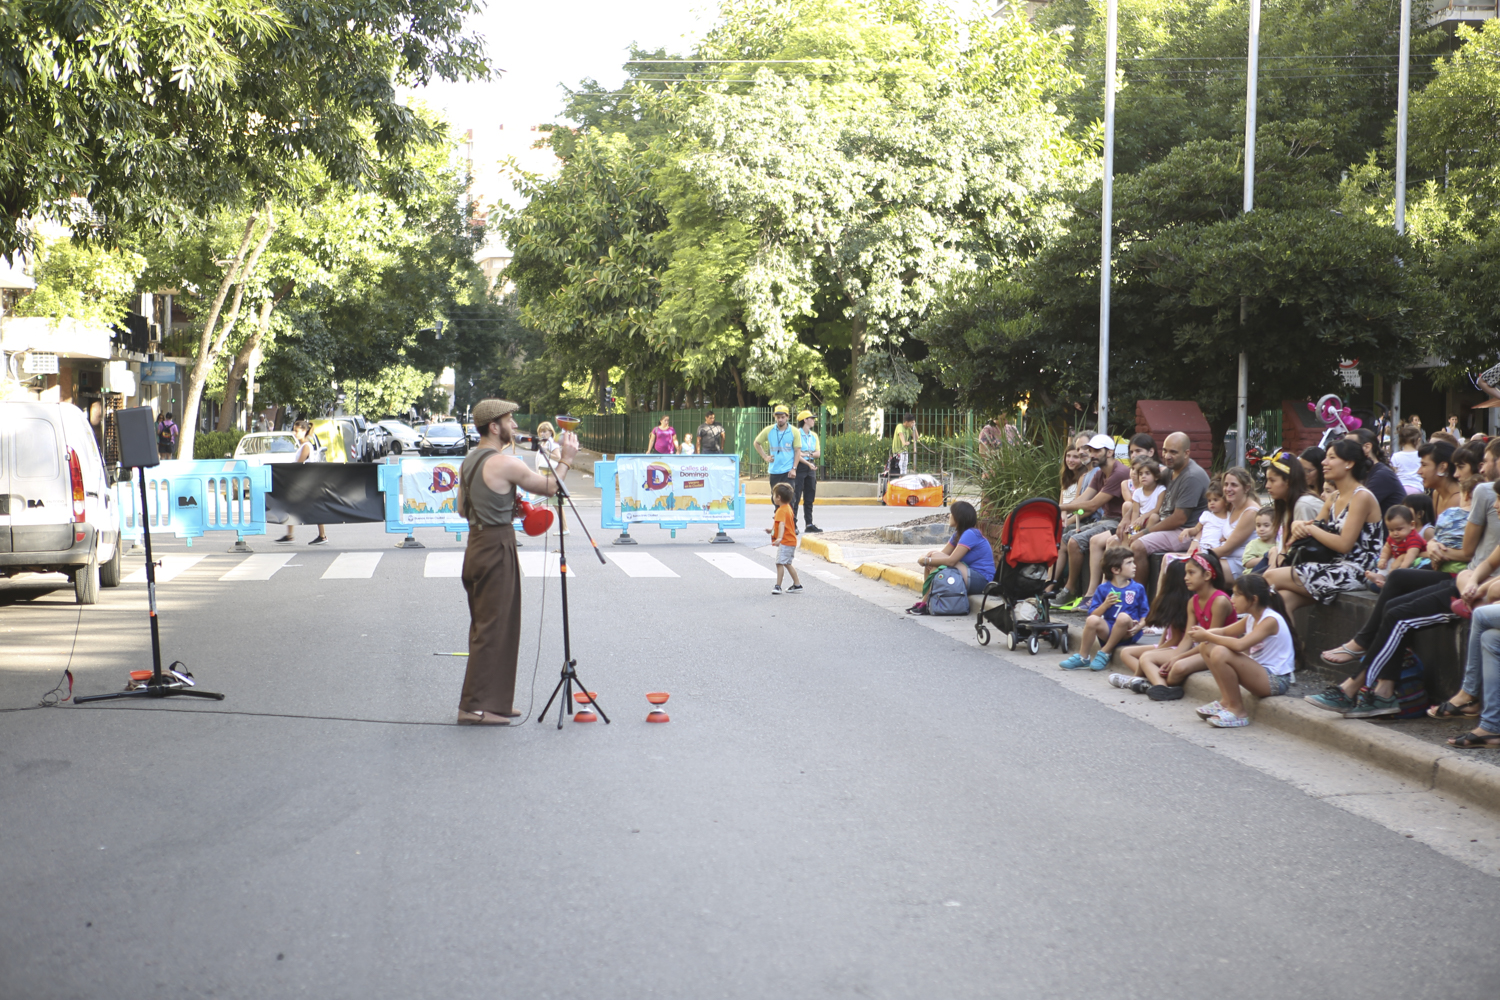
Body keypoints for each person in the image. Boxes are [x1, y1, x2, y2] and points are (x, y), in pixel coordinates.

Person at [454, 399, 579, 725]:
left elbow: (461, 510)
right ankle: (472, 708)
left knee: (496, 626)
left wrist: (501, 504)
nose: (513, 426)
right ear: (494, 426)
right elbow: (551, 486)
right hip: (497, 546)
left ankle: (496, 701)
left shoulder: (468, 462)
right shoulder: (503, 462)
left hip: (477, 545)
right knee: (493, 629)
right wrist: (566, 459)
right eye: (509, 420)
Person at [1263, 438, 1384, 614]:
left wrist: (1309, 528)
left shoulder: (1361, 496)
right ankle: (1290, 642)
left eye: (1331, 457)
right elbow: (1309, 531)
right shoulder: (1333, 498)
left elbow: (1344, 544)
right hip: (1333, 564)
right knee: (1283, 600)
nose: (1323, 463)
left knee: (1269, 577)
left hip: (1359, 570)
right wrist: (1298, 527)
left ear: (1349, 463)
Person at [1190, 573, 1301, 729]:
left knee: (1220, 652)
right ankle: (1226, 702)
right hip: (1260, 674)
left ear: (1254, 599)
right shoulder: (1250, 618)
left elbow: (1240, 645)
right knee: (1206, 646)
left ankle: (1238, 711)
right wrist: (1203, 633)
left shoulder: (1270, 620)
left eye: (1237, 594)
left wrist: (1207, 635)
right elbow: (1223, 631)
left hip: (1275, 681)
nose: (1231, 599)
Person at [1057, 434, 1131, 609]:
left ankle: (1087, 593)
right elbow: (1083, 499)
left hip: (1119, 522)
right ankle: (1065, 587)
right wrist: (1065, 511)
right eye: (1091, 450)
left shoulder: (1119, 473)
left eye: (1097, 451)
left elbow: (1092, 505)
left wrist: (1058, 507)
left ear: (1110, 451)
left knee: (1076, 540)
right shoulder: (1099, 474)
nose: (1092, 454)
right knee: (1066, 536)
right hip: (1105, 520)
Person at [1126, 432, 1211, 583]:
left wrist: (1144, 532)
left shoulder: (1191, 476)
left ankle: (1138, 598)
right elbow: (1139, 494)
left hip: (1186, 531)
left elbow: (1179, 519)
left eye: (1173, 452)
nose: (1167, 456)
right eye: (1165, 451)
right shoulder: (1169, 471)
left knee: (1138, 546)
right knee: (1116, 540)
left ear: (1186, 453)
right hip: (1163, 524)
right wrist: (1126, 520)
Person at [1059, 546, 1149, 670]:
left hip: (1128, 632)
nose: (1135, 566)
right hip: (1108, 629)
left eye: (1133, 562)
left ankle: (1105, 652)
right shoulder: (1103, 589)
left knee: (1123, 617)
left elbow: (1146, 615)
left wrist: (1139, 626)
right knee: (1092, 620)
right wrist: (1105, 605)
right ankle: (1083, 657)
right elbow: (1093, 615)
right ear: (1116, 570)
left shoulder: (1138, 588)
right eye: (1129, 563)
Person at [1111, 559, 1191, 693]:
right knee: (1126, 652)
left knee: (1147, 656)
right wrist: (1159, 647)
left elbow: (1176, 639)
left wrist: (1157, 651)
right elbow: (1168, 631)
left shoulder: (1183, 602)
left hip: (1178, 647)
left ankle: (1137, 679)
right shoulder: (1171, 600)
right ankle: (1147, 678)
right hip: (1169, 644)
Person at [914, 500, 996, 600]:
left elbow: (951, 561)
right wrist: (928, 558)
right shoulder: (958, 534)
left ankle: (926, 602)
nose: (949, 516)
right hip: (968, 575)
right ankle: (926, 600)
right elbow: (942, 554)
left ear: (958, 517)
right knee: (933, 557)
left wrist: (926, 560)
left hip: (982, 580)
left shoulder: (970, 533)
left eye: (952, 513)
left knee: (934, 559)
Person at [1263, 451, 1321, 571]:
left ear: (1288, 481)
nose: (1267, 486)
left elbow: (1304, 552)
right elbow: (1283, 549)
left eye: (1272, 480)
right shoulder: (1286, 504)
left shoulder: (1303, 504)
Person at [1198, 467, 1258, 578]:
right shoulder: (1233, 506)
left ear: (1246, 488)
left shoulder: (1250, 512)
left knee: (1196, 570)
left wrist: (1201, 555)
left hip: (1240, 564)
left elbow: (1227, 550)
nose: (1228, 489)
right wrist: (1195, 541)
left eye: (1234, 485)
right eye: (1226, 484)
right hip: (1225, 558)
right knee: (1169, 559)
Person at [276, 420, 327, 545]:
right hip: (305, 481)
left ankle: (322, 535)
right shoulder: (304, 444)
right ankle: (290, 535)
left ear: (304, 431)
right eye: (294, 430)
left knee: (311, 507)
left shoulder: (306, 446)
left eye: (297, 431)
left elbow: (299, 464)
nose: (295, 433)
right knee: (291, 506)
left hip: (306, 482)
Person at [1348, 428, 1406, 513]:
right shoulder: (1367, 473)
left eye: (1349, 447)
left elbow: (1354, 510)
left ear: (1367, 447)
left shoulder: (1382, 475)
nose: (1344, 451)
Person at [1367, 505, 1425, 588]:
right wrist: (1383, 559)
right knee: (1387, 562)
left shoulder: (1413, 538)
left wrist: (1402, 569)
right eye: (1391, 530)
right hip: (1398, 558)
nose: (1395, 533)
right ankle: (1381, 577)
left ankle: (1392, 583)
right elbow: (1387, 547)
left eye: (1399, 529)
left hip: (1413, 561)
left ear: (1412, 525)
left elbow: (1411, 555)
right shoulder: (1393, 537)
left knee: (1408, 567)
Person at [766, 481, 802, 595]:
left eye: (773, 495)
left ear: (778, 497)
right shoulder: (788, 508)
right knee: (787, 563)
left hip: (786, 541)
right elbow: (783, 525)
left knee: (779, 563)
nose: (773, 497)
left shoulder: (781, 510)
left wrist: (779, 538)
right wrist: (771, 531)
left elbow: (781, 524)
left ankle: (778, 586)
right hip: (790, 540)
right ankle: (797, 584)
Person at [754, 405, 798, 494]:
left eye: (782, 417)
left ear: (787, 417)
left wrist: (794, 468)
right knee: (776, 499)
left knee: (789, 500)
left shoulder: (794, 431)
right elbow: (756, 443)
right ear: (775, 417)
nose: (780, 419)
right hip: (774, 471)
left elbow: (797, 451)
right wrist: (765, 457)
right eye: (778, 417)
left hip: (788, 471)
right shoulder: (769, 430)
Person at [792, 410, 822, 533]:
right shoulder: (796, 434)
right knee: (796, 496)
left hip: (811, 466)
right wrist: (806, 455)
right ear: (805, 420)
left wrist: (805, 453)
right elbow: (796, 454)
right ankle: (793, 524)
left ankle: (809, 523)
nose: (814, 420)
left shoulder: (813, 435)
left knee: (810, 496)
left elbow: (818, 453)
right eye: (811, 418)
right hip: (799, 466)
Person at [1241, 506, 1277, 575]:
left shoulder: (1279, 545)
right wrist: (1268, 558)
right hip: (1253, 576)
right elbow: (1247, 563)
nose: (1261, 529)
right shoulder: (1253, 544)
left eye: (1266, 525)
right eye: (1258, 525)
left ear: (1276, 526)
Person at [1391, 423, 1423, 494]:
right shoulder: (1421, 456)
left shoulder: (1396, 456)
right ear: (1418, 440)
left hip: (1400, 489)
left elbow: (1393, 474)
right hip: (1417, 489)